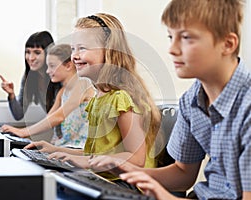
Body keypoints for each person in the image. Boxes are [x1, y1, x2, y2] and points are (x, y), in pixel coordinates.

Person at [104, 1, 251, 200]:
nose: (172, 49)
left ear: (228, 44)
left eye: (186, 38)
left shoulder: (247, 107)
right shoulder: (191, 101)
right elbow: (183, 175)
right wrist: (127, 172)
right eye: (171, 37)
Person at [25, 13, 161, 180]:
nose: (74, 56)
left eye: (82, 48)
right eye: (73, 48)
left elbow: (137, 158)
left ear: (109, 52)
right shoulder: (98, 98)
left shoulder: (122, 98)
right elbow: (97, 153)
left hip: (126, 185)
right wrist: (57, 150)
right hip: (104, 179)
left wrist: (88, 162)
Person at [1, 44, 95, 148]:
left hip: (79, 149)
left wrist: (23, 132)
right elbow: (49, 120)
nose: (47, 71)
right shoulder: (62, 92)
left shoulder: (82, 84)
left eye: (52, 66)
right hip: (62, 147)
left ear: (68, 66)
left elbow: (59, 116)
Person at [0, 31, 61, 120]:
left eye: (37, 52)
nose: (31, 58)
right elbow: (18, 114)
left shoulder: (59, 76)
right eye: (28, 52)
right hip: (56, 129)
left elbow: (60, 116)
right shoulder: (29, 78)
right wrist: (11, 94)